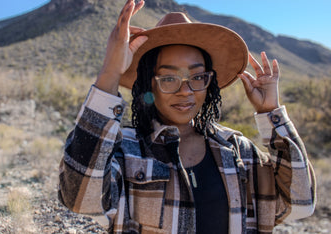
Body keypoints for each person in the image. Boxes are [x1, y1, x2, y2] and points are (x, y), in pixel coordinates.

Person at [58, 0, 316, 233]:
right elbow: (80, 198)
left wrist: (271, 113)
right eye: (169, 78)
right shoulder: (125, 149)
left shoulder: (238, 150)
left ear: (209, 82)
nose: (186, 91)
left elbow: (301, 203)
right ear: (149, 84)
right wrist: (110, 74)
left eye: (197, 77)